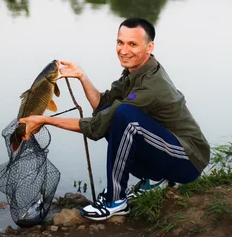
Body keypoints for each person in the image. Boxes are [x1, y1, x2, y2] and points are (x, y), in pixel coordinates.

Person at [18, 18, 210, 221]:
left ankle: (115, 200)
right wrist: (82, 76)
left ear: (149, 46)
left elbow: (95, 127)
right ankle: (155, 179)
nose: (124, 50)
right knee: (115, 113)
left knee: (124, 116)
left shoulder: (151, 86)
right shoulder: (135, 71)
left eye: (132, 44)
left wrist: (46, 120)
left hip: (188, 160)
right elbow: (103, 105)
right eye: (120, 42)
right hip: (167, 149)